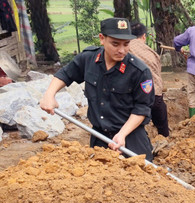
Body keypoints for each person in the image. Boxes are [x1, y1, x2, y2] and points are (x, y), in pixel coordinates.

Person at [40, 17, 155, 159]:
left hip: (130, 138)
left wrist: (122, 134)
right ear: (102, 39)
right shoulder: (88, 59)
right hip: (99, 137)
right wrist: (49, 95)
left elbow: (142, 108)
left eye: (126, 44)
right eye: (115, 44)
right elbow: (65, 74)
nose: (121, 50)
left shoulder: (139, 71)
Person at [128, 22, 169, 137]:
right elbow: (157, 73)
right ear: (144, 36)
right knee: (161, 122)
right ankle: (165, 138)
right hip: (154, 93)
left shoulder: (124, 48)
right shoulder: (151, 53)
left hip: (133, 95)